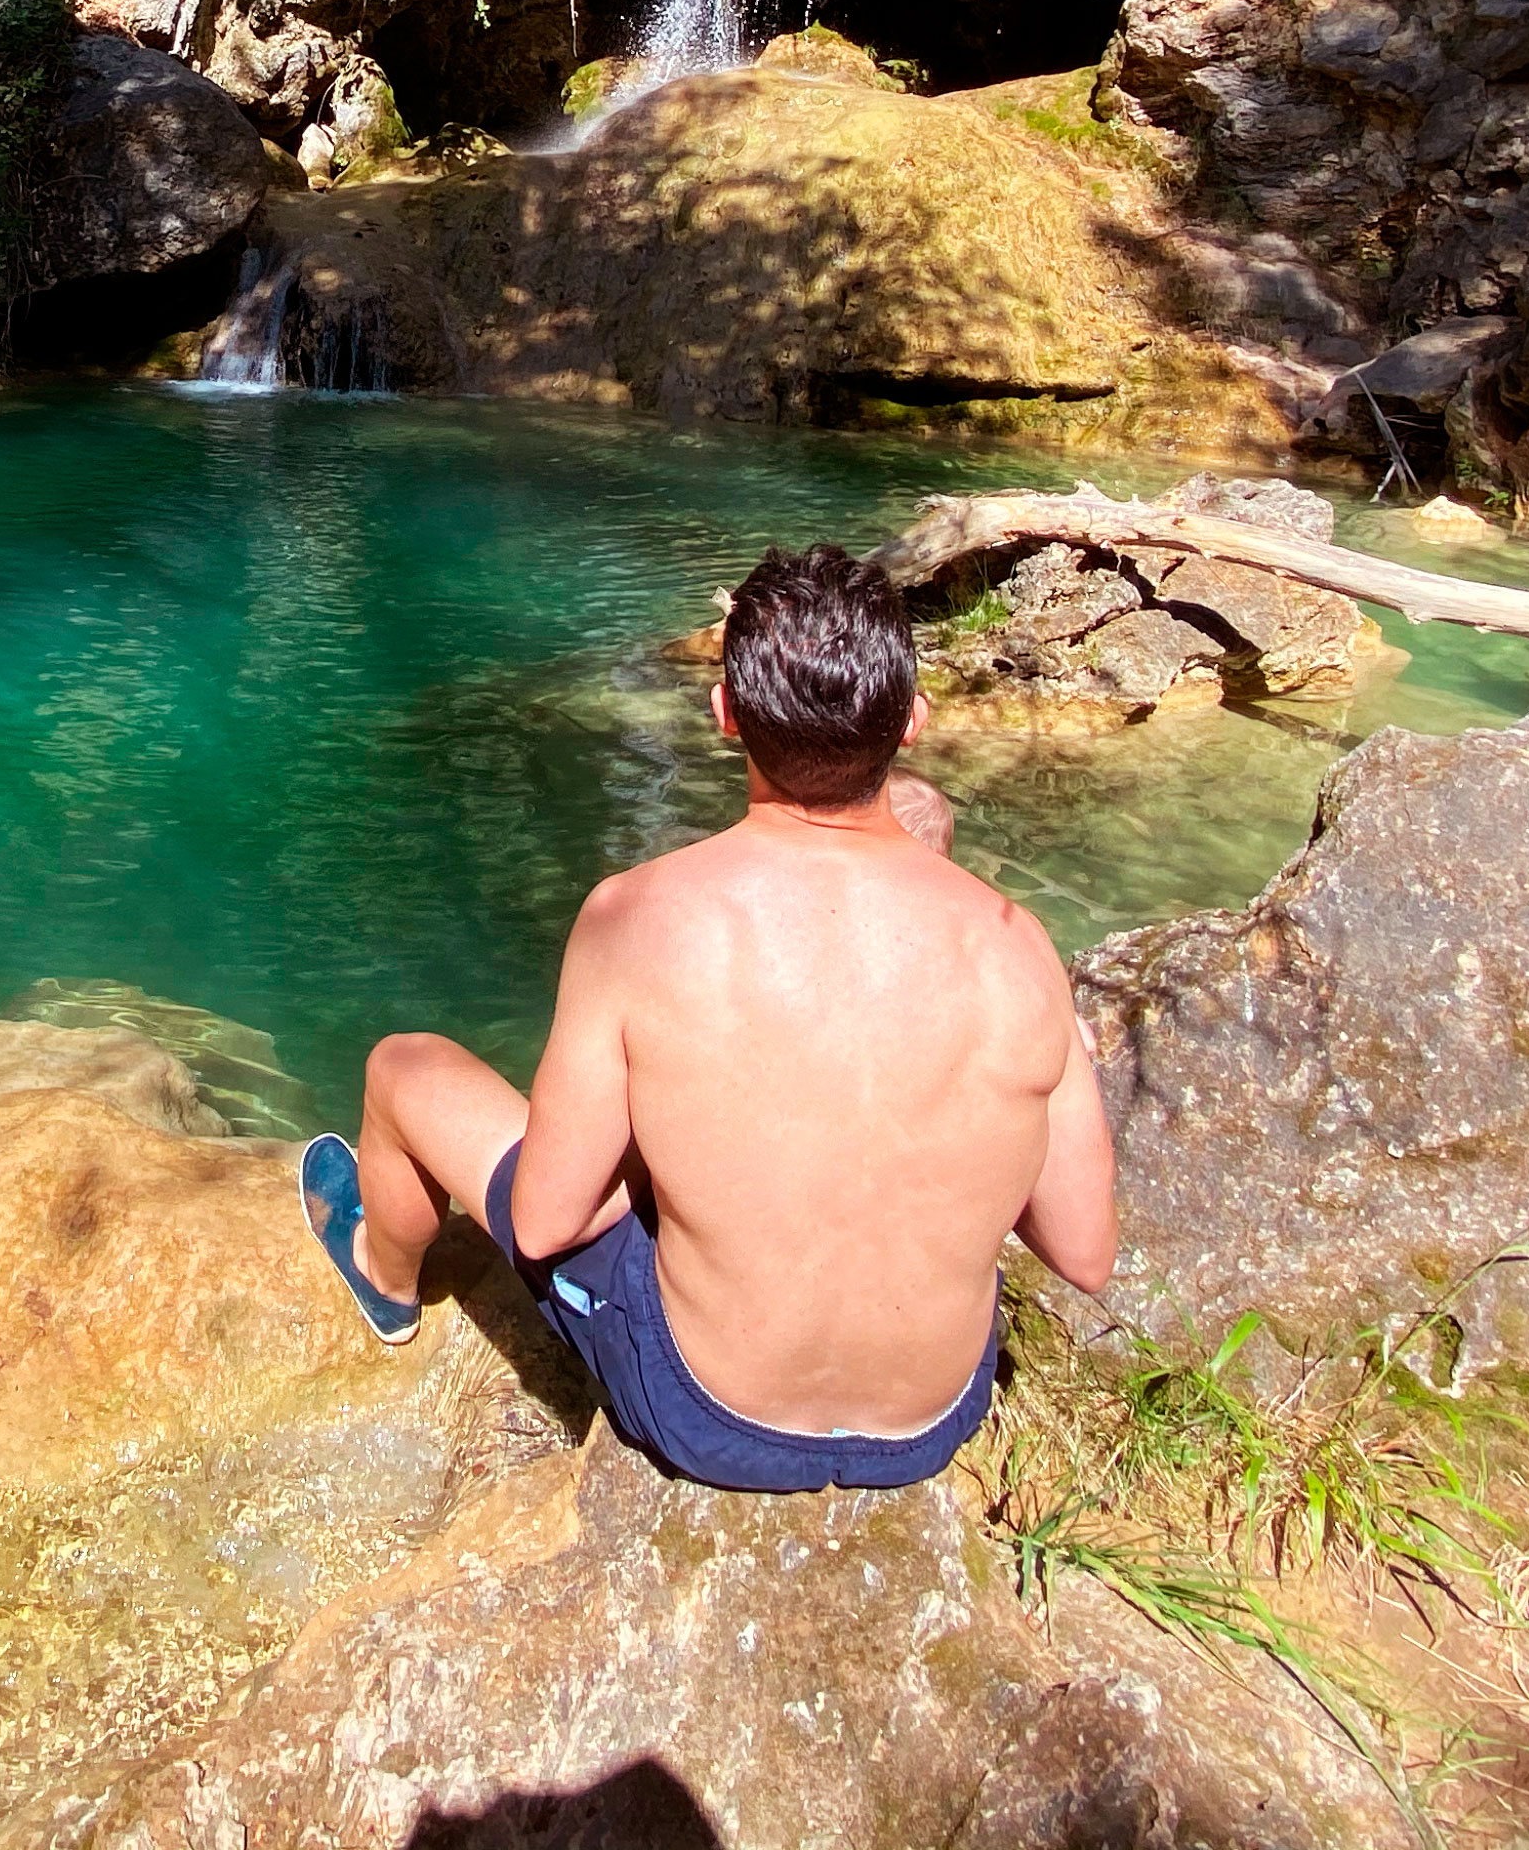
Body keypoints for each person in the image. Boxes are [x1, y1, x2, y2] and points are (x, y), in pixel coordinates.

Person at [300, 543, 1116, 1493]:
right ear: (914, 725)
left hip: (708, 1412)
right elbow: (1084, 1254)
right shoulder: (1023, 953)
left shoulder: (636, 919)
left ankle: (384, 1278)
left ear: (725, 715)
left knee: (405, 1066)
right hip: (934, 1421)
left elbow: (547, 1220)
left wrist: (671, 1148)